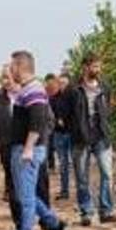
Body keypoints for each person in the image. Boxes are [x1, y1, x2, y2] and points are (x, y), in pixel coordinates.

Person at [4, 50, 66, 230]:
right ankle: (55, 224)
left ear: (21, 66)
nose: (10, 69)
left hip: (26, 150)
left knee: (27, 199)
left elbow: (38, 121)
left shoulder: (35, 90)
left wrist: (29, 148)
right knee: (26, 196)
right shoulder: (26, 89)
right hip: (20, 148)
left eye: (12, 65)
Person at [0, 65, 49, 220]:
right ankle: (20, 224)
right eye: (2, 78)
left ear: (15, 75)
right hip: (9, 151)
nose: (5, 81)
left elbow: (47, 120)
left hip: (33, 149)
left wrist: (39, 140)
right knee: (15, 191)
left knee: (39, 188)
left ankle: (47, 223)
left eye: (7, 77)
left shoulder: (32, 93)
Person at [64, 53, 116, 227]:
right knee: (82, 178)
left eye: (99, 66)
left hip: (101, 136)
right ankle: (86, 211)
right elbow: (65, 114)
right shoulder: (73, 89)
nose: (98, 69)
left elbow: (107, 108)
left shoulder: (105, 87)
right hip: (80, 138)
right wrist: (75, 129)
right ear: (85, 67)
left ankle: (106, 210)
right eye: (95, 66)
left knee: (107, 173)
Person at [50, 73, 72, 201]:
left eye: (65, 83)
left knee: (74, 163)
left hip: (71, 133)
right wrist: (56, 120)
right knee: (63, 164)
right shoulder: (53, 99)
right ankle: (64, 191)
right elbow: (50, 115)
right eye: (61, 83)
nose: (63, 86)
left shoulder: (74, 97)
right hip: (59, 134)